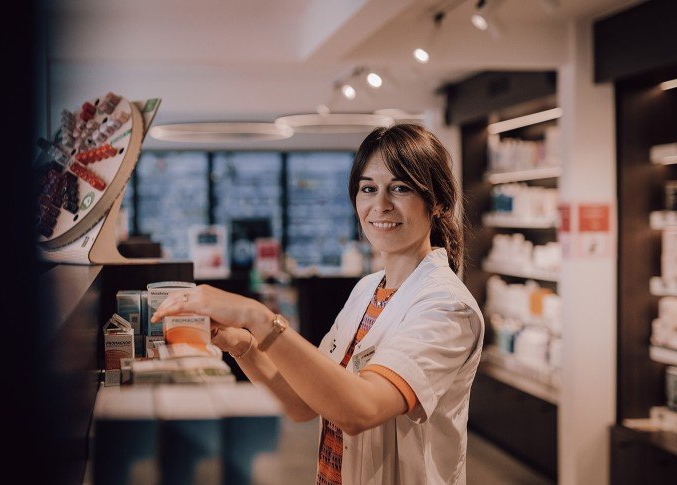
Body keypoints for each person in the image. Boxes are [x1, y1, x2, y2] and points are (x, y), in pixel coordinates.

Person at [152, 123, 484, 484]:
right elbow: (303, 402)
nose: (380, 205)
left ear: (438, 203)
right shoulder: (367, 289)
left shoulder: (447, 307)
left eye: (400, 188)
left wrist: (258, 317)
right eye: (368, 189)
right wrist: (242, 343)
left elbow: (362, 408)